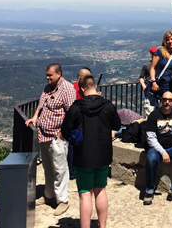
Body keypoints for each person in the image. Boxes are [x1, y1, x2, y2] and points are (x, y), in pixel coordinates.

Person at [61, 75, 121, 228]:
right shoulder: (108, 105)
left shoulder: (76, 107)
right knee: (100, 189)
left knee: (85, 192)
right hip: (103, 154)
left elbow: (65, 131)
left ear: (81, 89)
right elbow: (116, 125)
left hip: (83, 155)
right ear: (96, 86)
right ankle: (102, 226)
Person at [25, 63, 76, 216]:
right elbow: (41, 105)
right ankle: (49, 195)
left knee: (60, 169)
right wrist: (35, 117)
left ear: (58, 74)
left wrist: (62, 134)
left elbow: (72, 113)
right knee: (48, 168)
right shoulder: (48, 88)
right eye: (47, 75)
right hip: (43, 135)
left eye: (50, 75)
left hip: (57, 136)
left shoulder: (66, 89)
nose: (47, 77)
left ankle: (62, 200)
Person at [149, 31, 172, 101]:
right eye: (168, 40)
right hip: (161, 85)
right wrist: (153, 82)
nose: (170, 41)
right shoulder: (160, 51)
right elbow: (153, 67)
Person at [139, 46, 158, 116]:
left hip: (157, 91)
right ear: (151, 54)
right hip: (149, 90)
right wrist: (144, 86)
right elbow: (141, 77)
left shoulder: (160, 65)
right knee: (150, 110)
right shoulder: (146, 66)